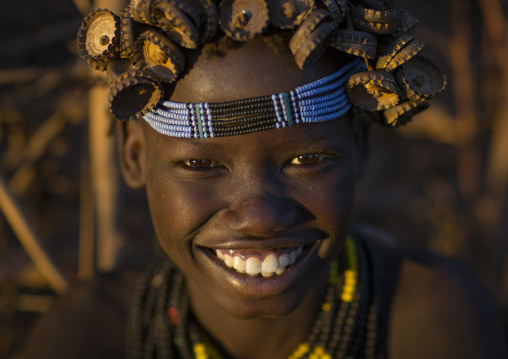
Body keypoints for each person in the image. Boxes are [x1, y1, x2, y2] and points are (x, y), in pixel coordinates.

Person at [25, 0, 506, 358]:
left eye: (309, 159)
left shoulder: (435, 322)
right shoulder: (91, 333)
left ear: (359, 147)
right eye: (200, 164)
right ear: (134, 157)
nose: (258, 216)